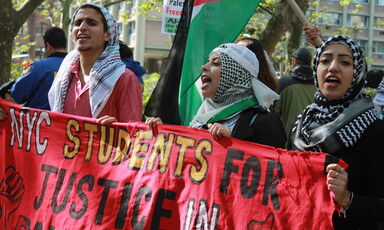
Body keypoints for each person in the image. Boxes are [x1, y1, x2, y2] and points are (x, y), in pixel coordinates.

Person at [288, 35, 384, 229]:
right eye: (325, 60)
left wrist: (347, 199)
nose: (333, 67)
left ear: (357, 72)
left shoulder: (375, 131)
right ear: (316, 70)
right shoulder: (301, 125)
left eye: (345, 62)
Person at [147, 43, 286, 148]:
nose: (204, 67)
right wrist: (163, 135)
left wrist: (233, 141)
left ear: (236, 75)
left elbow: (272, 175)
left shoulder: (265, 122)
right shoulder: (200, 119)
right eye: (208, 61)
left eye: (216, 63)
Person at [48, 3, 142, 124]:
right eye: (77, 23)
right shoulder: (64, 77)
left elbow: (133, 133)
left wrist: (116, 129)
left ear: (107, 34)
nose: (82, 27)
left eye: (91, 23)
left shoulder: (124, 79)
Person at [11, 27, 67, 110]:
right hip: (69, 121)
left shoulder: (38, 68)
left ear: (48, 46)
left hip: (40, 120)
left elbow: (17, 94)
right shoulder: (78, 66)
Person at [274, 47, 316, 137]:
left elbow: (275, 112)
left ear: (295, 61)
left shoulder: (283, 83)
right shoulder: (320, 85)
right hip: (312, 138)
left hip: (289, 139)